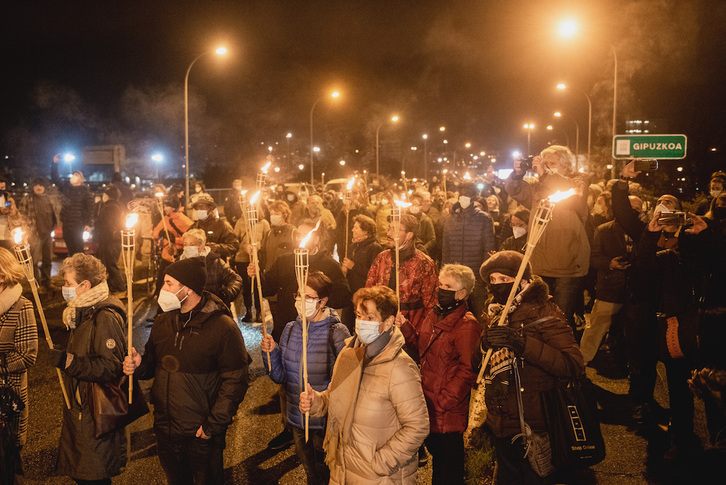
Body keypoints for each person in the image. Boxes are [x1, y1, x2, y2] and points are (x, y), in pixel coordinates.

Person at [123, 258, 250, 485]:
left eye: (169, 284)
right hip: (166, 429)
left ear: (188, 288)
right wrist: (138, 365)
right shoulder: (163, 322)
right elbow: (152, 365)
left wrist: (213, 425)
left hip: (201, 434)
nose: (163, 290)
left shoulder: (222, 327)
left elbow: (236, 380)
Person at [299, 285, 430, 484]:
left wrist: (380, 463)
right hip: (343, 470)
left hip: (381, 477)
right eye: (359, 315)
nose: (361, 322)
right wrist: (316, 401)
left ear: (388, 323)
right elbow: (334, 396)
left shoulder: (400, 367)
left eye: (369, 318)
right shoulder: (349, 354)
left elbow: (417, 426)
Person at [477, 251, 584, 484]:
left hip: (534, 425)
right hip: (501, 423)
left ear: (523, 282)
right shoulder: (494, 312)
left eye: (504, 280)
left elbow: (573, 364)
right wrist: (484, 346)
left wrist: (523, 344)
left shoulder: (544, 312)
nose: (497, 285)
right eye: (492, 280)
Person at [249, 220, 352, 451]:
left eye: (307, 234)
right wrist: (256, 276)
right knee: (289, 385)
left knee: (317, 380)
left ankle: (322, 429)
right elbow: (266, 288)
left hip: (319, 334)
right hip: (290, 330)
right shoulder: (286, 261)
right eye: (299, 234)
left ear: (318, 237)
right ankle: (290, 427)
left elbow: (345, 295)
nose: (301, 238)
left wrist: (317, 306)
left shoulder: (329, 265)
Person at [260, 272, 350, 484]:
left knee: (327, 474)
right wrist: (270, 353)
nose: (301, 301)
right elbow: (280, 376)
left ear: (323, 301)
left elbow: (347, 379)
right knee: (311, 473)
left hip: (324, 422)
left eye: (308, 297)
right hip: (297, 419)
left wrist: (320, 399)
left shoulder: (337, 332)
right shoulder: (291, 329)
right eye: (299, 295)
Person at [397, 264, 480, 485]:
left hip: (446, 411)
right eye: (440, 284)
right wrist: (405, 327)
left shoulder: (467, 326)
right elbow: (421, 347)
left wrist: (444, 400)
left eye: (448, 286)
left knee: (448, 469)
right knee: (438, 464)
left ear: (462, 293)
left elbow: (468, 369)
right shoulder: (433, 314)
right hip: (427, 402)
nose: (441, 289)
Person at [51, 253, 129, 484]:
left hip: (95, 413)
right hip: (82, 409)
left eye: (68, 283)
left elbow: (110, 367)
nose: (65, 288)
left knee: (93, 476)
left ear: (85, 285)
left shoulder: (103, 316)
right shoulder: (82, 310)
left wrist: (68, 362)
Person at [505, 146, 590, 329]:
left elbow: (570, 190)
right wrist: (517, 174)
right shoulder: (538, 188)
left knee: (560, 320)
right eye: (545, 164)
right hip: (540, 263)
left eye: (552, 163)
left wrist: (545, 174)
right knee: (537, 317)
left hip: (567, 266)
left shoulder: (577, 182)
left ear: (565, 166)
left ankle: (565, 355)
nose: (548, 167)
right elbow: (516, 190)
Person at [366, 213, 438, 345]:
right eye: (389, 228)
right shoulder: (382, 258)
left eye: (395, 229)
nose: (389, 233)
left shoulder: (424, 263)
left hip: (410, 329)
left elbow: (431, 304)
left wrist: (423, 334)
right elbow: (368, 291)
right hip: (379, 325)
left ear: (410, 235)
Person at [0, 248, 38, 480]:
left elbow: (27, 355)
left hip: (7, 396)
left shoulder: (21, 307)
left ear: (2, 275)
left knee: (7, 459)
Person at [441, 182, 496, 321]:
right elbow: (446, 248)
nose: (463, 198)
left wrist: (482, 276)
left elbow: (488, 248)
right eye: (461, 194)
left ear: (473, 198)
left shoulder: (483, 219)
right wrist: (445, 273)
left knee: (478, 315)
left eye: (467, 195)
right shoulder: (450, 219)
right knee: (454, 316)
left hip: (476, 276)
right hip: (454, 277)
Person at [180, 228, 242, 306]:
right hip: (187, 309)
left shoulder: (214, 262)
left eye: (192, 244)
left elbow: (235, 279)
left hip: (212, 309)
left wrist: (226, 294)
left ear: (201, 245)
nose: (187, 247)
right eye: (185, 244)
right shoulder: (179, 263)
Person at [18, 178, 59, 289]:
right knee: (34, 261)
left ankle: (47, 282)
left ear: (45, 187)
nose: (38, 187)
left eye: (41, 185)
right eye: (36, 185)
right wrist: (26, 233)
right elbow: (22, 217)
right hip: (34, 234)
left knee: (47, 260)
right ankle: (36, 285)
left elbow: (55, 213)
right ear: (33, 187)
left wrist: (54, 226)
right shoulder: (27, 199)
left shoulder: (50, 199)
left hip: (47, 234)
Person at [233, 204, 270, 322]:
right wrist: (245, 247)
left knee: (258, 285)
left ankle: (259, 311)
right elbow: (235, 240)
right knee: (246, 287)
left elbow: (267, 240)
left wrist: (258, 246)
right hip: (243, 260)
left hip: (257, 259)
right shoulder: (240, 222)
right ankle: (248, 311)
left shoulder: (264, 223)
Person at [51, 155, 95, 256]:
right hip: (66, 223)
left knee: (78, 248)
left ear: (80, 179)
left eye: (76, 175)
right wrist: (55, 164)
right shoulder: (67, 188)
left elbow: (90, 208)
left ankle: (81, 267)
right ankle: (73, 268)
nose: (73, 176)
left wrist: (88, 223)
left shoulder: (85, 191)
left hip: (77, 223)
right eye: (73, 174)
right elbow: (55, 179)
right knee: (70, 248)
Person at [152, 195, 194, 294]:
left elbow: (192, 240)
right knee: (161, 282)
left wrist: (175, 240)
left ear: (174, 207)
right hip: (166, 255)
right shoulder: (165, 219)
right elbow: (154, 233)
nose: (164, 208)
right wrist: (160, 234)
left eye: (167, 206)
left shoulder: (185, 221)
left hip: (179, 257)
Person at [94, 186, 126, 296]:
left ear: (108, 196)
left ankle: (121, 289)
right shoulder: (119, 205)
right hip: (116, 240)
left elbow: (107, 225)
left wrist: (98, 229)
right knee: (110, 264)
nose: (103, 197)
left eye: (104, 195)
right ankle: (113, 288)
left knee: (111, 265)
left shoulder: (109, 207)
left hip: (109, 240)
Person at [189, 193, 238, 261]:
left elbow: (234, 246)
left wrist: (217, 248)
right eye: (197, 208)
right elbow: (186, 247)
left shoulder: (223, 225)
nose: (199, 210)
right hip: (198, 267)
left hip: (217, 266)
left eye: (202, 207)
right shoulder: (193, 227)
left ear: (211, 208)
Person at [341, 214, 383, 295]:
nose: (352, 230)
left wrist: (353, 266)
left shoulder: (374, 248)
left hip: (365, 292)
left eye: (356, 228)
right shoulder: (353, 246)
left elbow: (375, 274)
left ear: (365, 231)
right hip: (351, 290)